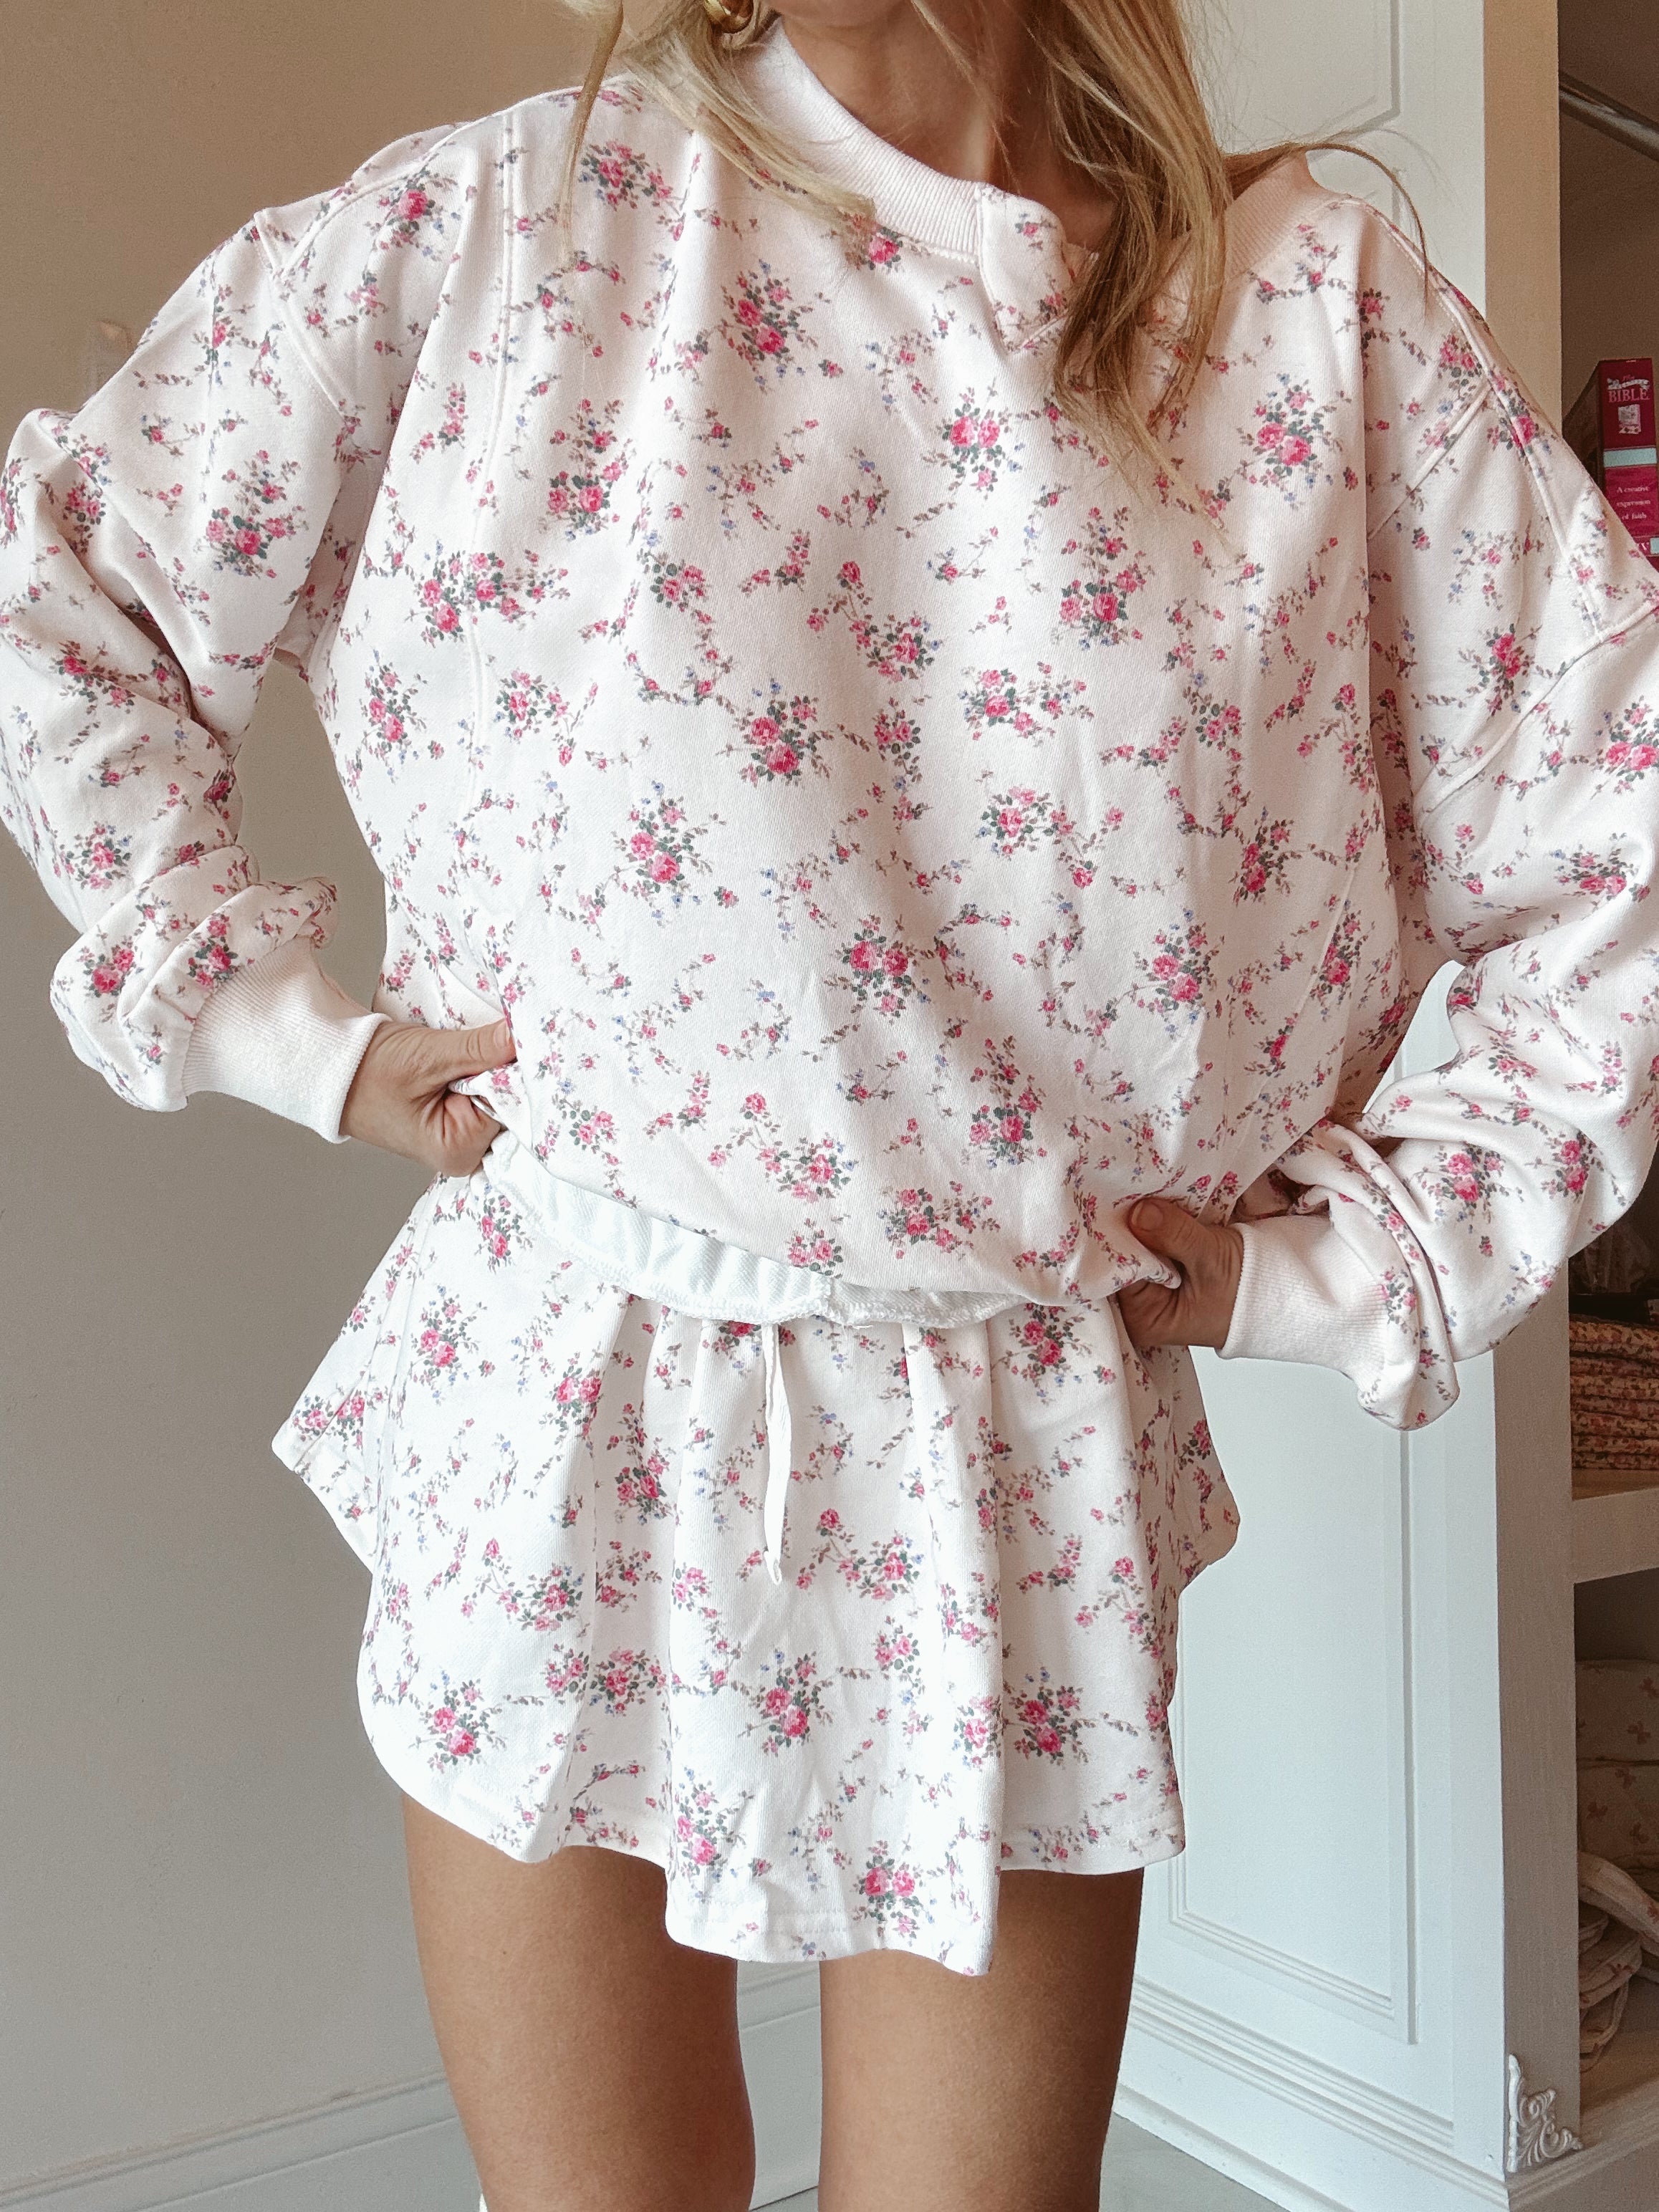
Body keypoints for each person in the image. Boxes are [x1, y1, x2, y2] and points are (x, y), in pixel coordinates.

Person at [4, 0, 1656, 2205]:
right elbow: (78, 574)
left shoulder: (1305, 322)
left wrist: (1344, 1262)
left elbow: (1623, 825)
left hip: (1008, 1463)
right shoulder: (505, 228)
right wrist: (274, 1033)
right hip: (561, 1394)